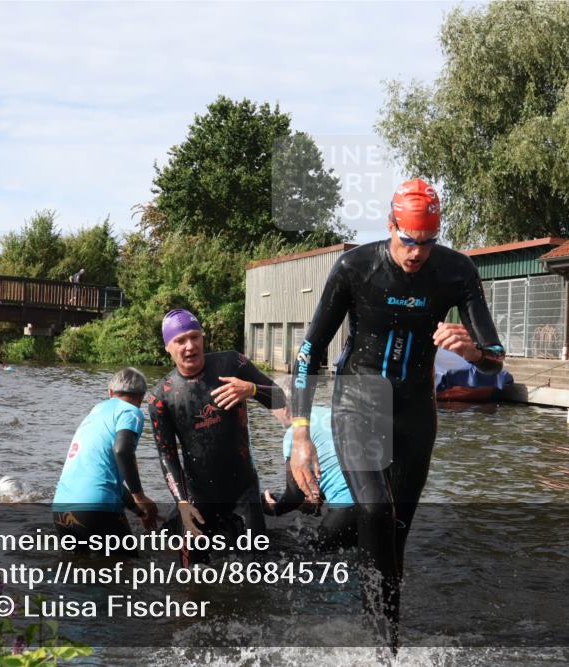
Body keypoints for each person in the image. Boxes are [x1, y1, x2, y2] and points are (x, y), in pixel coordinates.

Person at [288, 178, 504, 650]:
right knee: (375, 509)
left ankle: (381, 640)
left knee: (395, 534)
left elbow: (495, 354)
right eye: (408, 241)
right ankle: (380, 646)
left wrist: (473, 351)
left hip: (413, 410)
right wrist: (301, 434)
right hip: (358, 398)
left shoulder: (457, 272)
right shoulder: (355, 267)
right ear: (391, 227)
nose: (416, 254)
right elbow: (308, 353)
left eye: (427, 243)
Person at [146, 308, 285, 566]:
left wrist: (252, 389)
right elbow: (167, 456)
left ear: (202, 337)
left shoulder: (231, 363)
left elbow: (281, 398)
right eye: (180, 341)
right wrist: (182, 504)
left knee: (259, 576)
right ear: (167, 347)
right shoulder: (160, 396)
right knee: (191, 579)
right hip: (198, 497)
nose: (190, 346)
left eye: (194, 337)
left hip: (243, 491)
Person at [53, 368, 158, 547]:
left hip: (61, 510)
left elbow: (105, 479)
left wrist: (139, 511)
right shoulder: (131, 411)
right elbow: (122, 450)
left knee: (77, 570)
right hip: (97, 509)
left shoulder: (95, 413)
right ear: (141, 397)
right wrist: (140, 497)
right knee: (128, 570)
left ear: (110, 393)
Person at [263, 404, 357, 552]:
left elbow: (295, 494)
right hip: (379, 496)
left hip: (348, 504)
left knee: (312, 555)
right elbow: (335, 464)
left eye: (273, 409)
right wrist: (315, 496)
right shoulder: (328, 413)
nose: (272, 415)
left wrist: (276, 508)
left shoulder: (294, 434)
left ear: (286, 408)